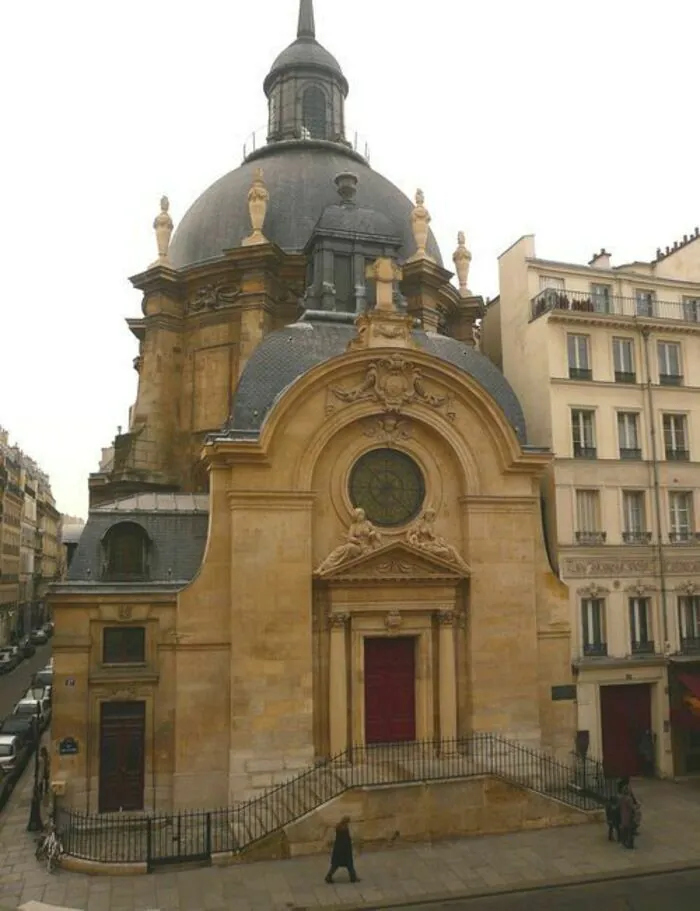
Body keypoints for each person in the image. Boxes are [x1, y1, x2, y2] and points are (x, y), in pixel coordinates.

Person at [325, 816, 360, 884]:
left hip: (338, 849)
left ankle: (328, 876)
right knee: (350, 865)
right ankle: (353, 878)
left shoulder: (338, 827)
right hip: (344, 850)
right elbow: (346, 840)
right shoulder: (345, 829)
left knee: (335, 865)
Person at [618, 784, 636, 849]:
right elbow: (632, 807)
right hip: (629, 816)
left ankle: (623, 841)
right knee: (630, 831)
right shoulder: (629, 799)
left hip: (623, 815)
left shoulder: (621, 798)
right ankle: (630, 844)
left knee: (624, 829)